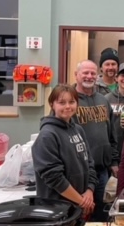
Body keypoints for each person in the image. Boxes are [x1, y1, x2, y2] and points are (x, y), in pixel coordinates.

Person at [33, 84, 98, 218]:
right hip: (57, 210)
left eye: (71, 102)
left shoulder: (78, 129)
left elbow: (90, 163)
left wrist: (89, 190)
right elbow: (53, 177)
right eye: (62, 102)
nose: (68, 106)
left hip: (79, 205)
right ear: (52, 104)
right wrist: (81, 201)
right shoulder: (47, 135)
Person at [74, 60, 118, 221]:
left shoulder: (103, 100)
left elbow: (111, 134)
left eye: (93, 73)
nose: (89, 76)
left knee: (102, 216)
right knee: (79, 216)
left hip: (101, 171)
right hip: (78, 173)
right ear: (76, 75)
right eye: (85, 72)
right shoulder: (69, 100)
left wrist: (114, 161)